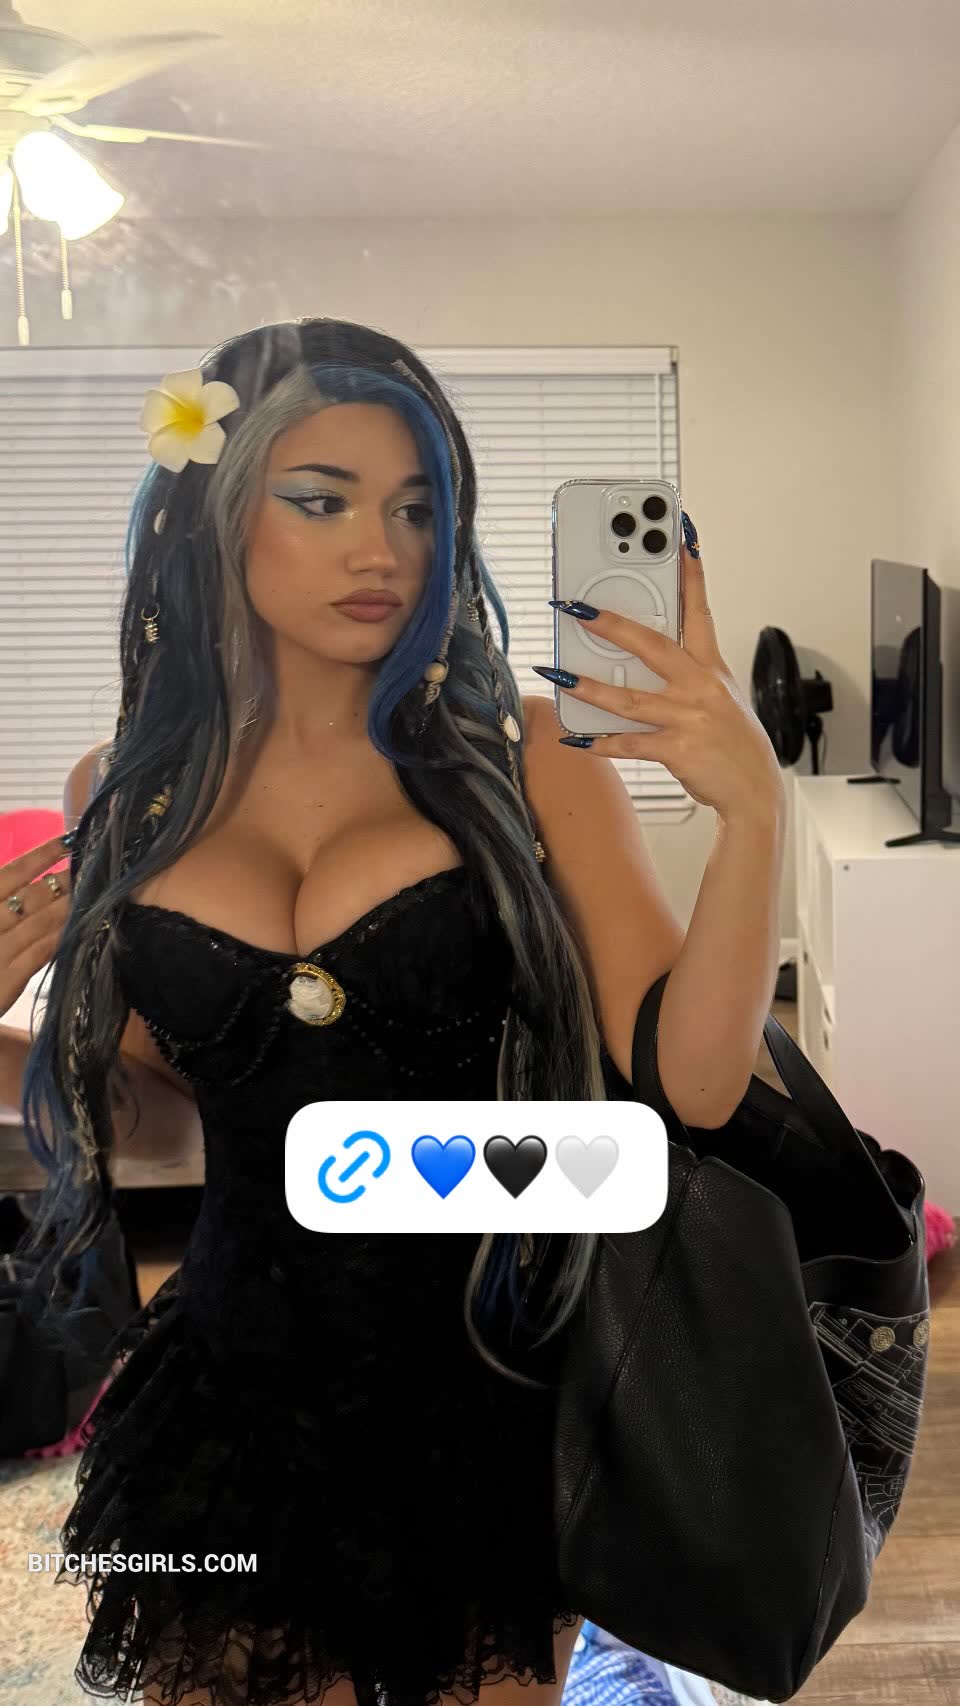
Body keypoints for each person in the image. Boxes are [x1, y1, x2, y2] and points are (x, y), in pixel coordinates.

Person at [4, 317, 787, 1706]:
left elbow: (698, 1083)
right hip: (228, 1391)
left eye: (418, 508)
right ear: (213, 515)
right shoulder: (126, 787)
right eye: (324, 501)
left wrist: (754, 815)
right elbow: (168, 1106)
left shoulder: (526, 760)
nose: (384, 549)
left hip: (485, 1385)